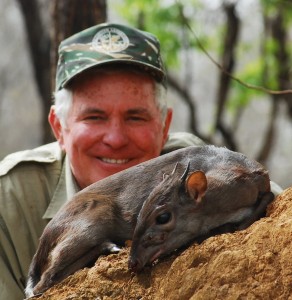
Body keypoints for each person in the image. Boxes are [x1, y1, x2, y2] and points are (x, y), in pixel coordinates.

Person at [0, 23, 205, 299]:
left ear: (164, 127)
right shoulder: (10, 200)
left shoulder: (199, 170)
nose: (116, 138)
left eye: (135, 117)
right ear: (59, 128)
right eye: (94, 117)